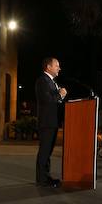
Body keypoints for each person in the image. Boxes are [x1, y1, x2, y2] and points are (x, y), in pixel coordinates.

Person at [35, 57, 67, 187]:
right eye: (57, 65)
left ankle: (45, 177)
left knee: (48, 152)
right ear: (48, 67)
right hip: (46, 122)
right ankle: (42, 179)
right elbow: (48, 100)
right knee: (44, 151)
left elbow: (55, 101)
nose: (59, 68)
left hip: (52, 122)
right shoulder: (43, 81)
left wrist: (61, 96)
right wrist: (60, 95)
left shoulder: (52, 81)